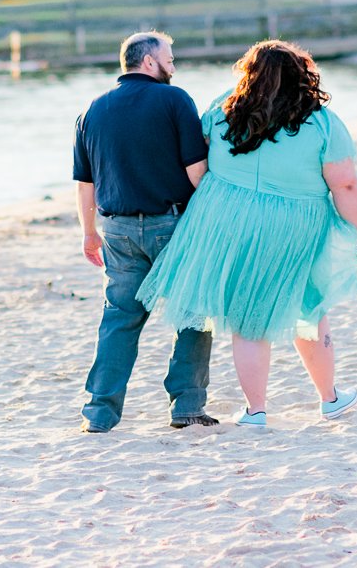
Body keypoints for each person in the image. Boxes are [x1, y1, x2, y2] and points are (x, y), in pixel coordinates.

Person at [137, 39, 357, 427]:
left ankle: (256, 411)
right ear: (302, 74)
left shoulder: (224, 106)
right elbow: (344, 184)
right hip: (293, 222)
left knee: (248, 316)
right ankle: (329, 398)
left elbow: (198, 156)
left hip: (225, 217)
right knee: (309, 305)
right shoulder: (321, 120)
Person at [73, 31, 215, 433]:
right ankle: (186, 406)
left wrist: (88, 232)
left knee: (119, 319)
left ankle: (100, 413)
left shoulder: (93, 109)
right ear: (149, 61)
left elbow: (85, 183)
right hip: (171, 226)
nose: (174, 66)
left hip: (115, 229)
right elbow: (196, 171)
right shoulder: (174, 99)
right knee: (192, 313)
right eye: (169, 58)